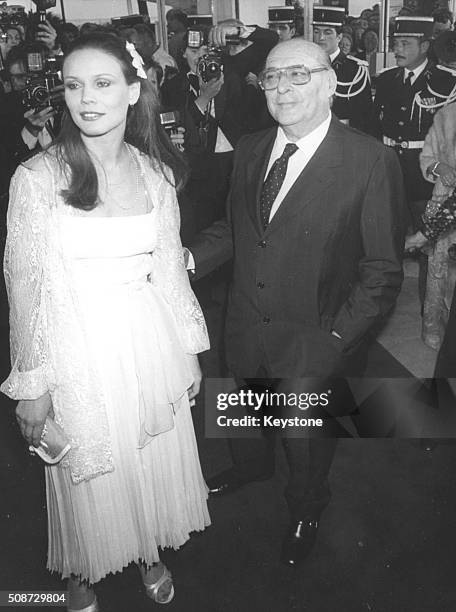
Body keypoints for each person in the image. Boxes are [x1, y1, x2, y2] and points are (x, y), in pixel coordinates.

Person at [1, 31, 210, 611]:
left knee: (147, 454)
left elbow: (169, 270)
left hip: (147, 340)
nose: (86, 98)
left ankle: (148, 552)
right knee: (84, 469)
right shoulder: (37, 178)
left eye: (101, 83)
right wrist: (32, 382)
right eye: (73, 85)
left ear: (132, 89)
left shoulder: (156, 174)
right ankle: (80, 574)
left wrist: (188, 350)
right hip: (73, 344)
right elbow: (24, 288)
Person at [189, 39, 405, 567]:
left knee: (303, 439)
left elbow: (382, 271)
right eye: (270, 77)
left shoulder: (369, 160)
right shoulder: (250, 148)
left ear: (330, 84)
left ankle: (308, 506)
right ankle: (252, 467)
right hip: (244, 321)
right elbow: (238, 230)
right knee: (248, 412)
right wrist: (187, 259)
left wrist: (336, 339)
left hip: (315, 337)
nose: (281, 87)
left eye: (297, 75)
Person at [404, 97, 456, 350]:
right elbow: (426, 157)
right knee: (438, 271)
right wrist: (439, 166)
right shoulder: (446, 114)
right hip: (444, 201)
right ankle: (434, 328)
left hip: (449, 210)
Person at [312, 5, 372, 133]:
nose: (321, 37)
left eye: (327, 32)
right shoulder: (306, 65)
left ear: (339, 37)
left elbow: (363, 115)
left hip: (342, 135)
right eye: (317, 31)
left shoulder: (355, 70)